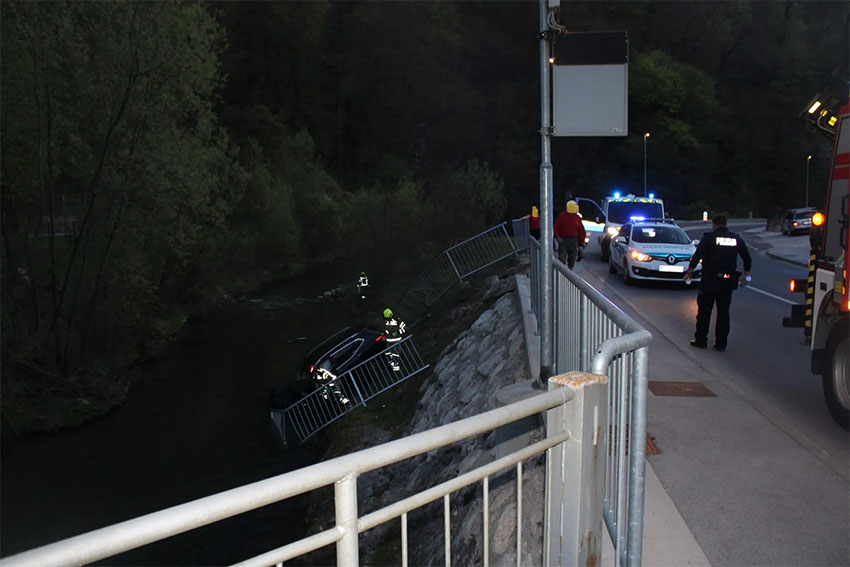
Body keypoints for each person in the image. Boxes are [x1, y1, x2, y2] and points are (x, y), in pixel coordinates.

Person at [683, 214, 752, 351]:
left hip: (710, 280)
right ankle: (721, 343)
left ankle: (701, 340)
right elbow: (747, 257)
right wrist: (745, 274)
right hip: (728, 281)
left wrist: (690, 270)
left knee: (704, 312)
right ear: (726, 224)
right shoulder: (736, 239)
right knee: (723, 312)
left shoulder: (709, 238)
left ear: (714, 224)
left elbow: (698, 255)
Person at [553, 200, 586, 269]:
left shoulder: (577, 217)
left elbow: (581, 230)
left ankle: (570, 270)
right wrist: (557, 236)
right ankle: (561, 272)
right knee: (562, 257)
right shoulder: (562, 216)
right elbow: (556, 226)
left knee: (572, 257)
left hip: (573, 239)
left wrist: (582, 241)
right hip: (563, 239)